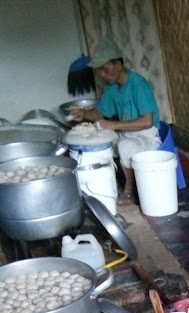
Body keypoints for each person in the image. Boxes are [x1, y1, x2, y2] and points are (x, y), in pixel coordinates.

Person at [71, 37, 160, 203]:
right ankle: (99, 184)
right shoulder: (112, 88)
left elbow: (147, 121)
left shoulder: (138, 85)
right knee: (97, 141)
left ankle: (129, 189)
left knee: (125, 146)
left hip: (147, 134)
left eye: (106, 69)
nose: (103, 74)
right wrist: (83, 114)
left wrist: (114, 124)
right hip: (126, 132)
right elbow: (99, 113)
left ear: (118, 65)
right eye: (100, 71)